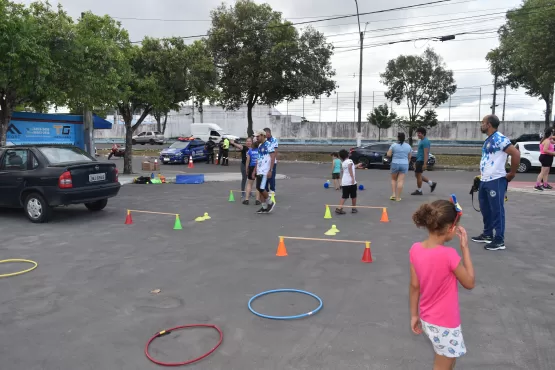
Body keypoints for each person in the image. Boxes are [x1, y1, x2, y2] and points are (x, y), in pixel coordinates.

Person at [410, 198, 475, 370]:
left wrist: (414, 315)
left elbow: (415, 286)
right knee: (443, 365)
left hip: (428, 319)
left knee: (448, 359)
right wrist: (465, 249)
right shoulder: (449, 255)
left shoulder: (415, 249)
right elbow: (469, 282)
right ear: (450, 228)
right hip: (445, 323)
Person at [471, 114, 520, 251]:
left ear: (489, 124)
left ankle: (499, 240)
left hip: (496, 180)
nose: (481, 125)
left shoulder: (500, 139)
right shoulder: (489, 139)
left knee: (497, 210)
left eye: (483, 122)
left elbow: (515, 154)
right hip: (485, 179)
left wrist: (512, 173)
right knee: (485, 209)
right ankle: (487, 234)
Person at [254, 130, 276, 214]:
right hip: (259, 170)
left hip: (265, 170)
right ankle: (264, 207)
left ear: (263, 136)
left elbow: (273, 158)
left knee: (261, 188)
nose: (256, 138)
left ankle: (270, 203)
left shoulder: (269, 145)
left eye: (258, 136)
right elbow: (258, 158)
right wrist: (255, 169)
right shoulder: (260, 145)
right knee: (259, 189)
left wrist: (270, 170)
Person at [411, 127, 437, 195]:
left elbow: (426, 153)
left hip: (421, 161)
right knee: (417, 175)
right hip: (419, 160)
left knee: (418, 175)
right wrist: (416, 162)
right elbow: (420, 152)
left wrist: (425, 163)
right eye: (417, 133)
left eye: (419, 133)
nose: (418, 134)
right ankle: (431, 183)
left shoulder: (425, 141)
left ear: (423, 134)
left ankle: (419, 191)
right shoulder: (421, 141)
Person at [387, 132, 412, 201]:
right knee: (400, 181)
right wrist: (407, 163)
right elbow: (409, 156)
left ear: (398, 137)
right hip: (404, 164)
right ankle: (398, 197)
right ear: (404, 138)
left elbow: (388, 154)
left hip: (395, 163)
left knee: (393, 179)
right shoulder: (408, 146)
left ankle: (393, 195)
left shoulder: (394, 145)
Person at [335, 149, 357, 215]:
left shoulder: (343, 163)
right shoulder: (350, 161)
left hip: (344, 182)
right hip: (351, 182)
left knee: (344, 196)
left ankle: (339, 208)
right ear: (347, 155)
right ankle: (354, 208)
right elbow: (350, 167)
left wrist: (358, 165)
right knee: (353, 196)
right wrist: (352, 178)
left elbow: (350, 167)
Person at [244, 140, 261, 206]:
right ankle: (257, 200)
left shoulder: (250, 151)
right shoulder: (260, 150)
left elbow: (247, 161)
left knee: (249, 184)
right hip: (259, 168)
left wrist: (246, 169)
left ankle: (246, 199)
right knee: (258, 184)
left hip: (251, 167)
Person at [264, 128, 278, 194]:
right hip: (265, 162)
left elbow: (275, 151)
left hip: (272, 161)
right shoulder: (264, 140)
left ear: (269, 133)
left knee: (271, 176)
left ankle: (272, 190)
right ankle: (266, 190)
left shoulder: (274, 140)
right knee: (265, 176)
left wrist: (272, 159)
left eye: (265, 133)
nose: (265, 135)